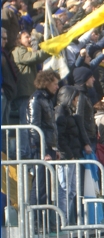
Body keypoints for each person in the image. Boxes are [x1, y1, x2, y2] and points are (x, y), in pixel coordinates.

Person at [12, 30, 50, 159]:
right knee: (25, 122)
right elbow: (31, 58)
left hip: (29, 92)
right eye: (26, 37)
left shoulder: (27, 50)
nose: (29, 39)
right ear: (19, 39)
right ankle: (23, 151)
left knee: (29, 122)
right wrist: (48, 50)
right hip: (23, 93)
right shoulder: (18, 50)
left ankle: (28, 150)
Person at [28, 70, 61, 211]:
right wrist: (43, 151)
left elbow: (51, 127)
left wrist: (55, 148)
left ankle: (43, 220)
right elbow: (34, 127)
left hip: (49, 147)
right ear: (46, 83)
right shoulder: (36, 99)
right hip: (42, 149)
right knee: (40, 185)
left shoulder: (47, 99)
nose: (57, 86)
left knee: (47, 185)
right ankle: (36, 221)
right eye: (55, 83)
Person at [54, 85, 82, 224]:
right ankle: (61, 221)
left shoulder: (68, 112)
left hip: (72, 156)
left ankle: (65, 221)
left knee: (71, 191)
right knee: (64, 190)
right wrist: (69, 154)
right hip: (66, 157)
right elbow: (60, 137)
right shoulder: (60, 111)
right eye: (75, 98)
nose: (77, 101)